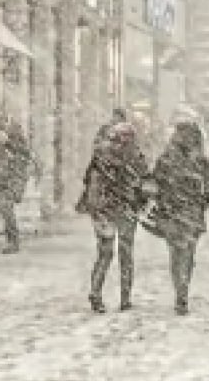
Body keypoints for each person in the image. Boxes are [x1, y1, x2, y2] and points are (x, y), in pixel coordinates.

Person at [78, 121, 149, 313]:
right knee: (125, 254)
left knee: (105, 253)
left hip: (105, 210)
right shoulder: (135, 156)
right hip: (125, 209)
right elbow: (145, 183)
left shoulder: (101, 155)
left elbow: (89, 181)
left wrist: (94, 205)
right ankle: (124, 298)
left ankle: (96, 293)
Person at [151, 116, 209, 314]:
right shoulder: (200, 158)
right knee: (188, 252)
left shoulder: (166, 157)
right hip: (192, 211)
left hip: (172, 211)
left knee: (175, 253)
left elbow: (155, 183)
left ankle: (179, 288)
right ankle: (183, 289)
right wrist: (201, 203)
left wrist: (162, 202)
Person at [0, 117, 39, 254]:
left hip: (14, 180)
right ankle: (10, 238)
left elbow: (26, 160)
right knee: (4, 209)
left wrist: (10, 149)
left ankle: (13, 241)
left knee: (6, 207)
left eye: (1, 131)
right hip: (0, 180)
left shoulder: (18, 144)